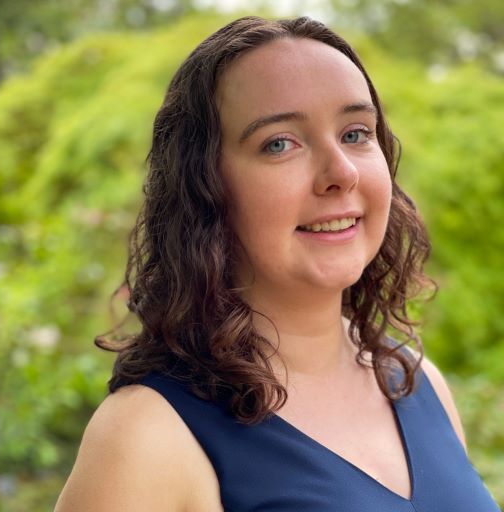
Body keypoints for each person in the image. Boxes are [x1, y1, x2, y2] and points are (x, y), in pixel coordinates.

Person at [54, 16, 500, 512]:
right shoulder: (145, 436)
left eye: (356, 133)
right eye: (279, 143)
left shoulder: (418, 381)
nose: (341, 172)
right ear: (203, 188)